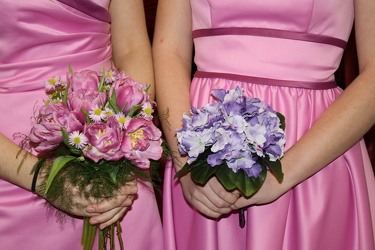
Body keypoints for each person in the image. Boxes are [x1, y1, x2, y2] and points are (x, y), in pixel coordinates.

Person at [153, 0, 375, 249]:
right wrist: (187, 162)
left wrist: (281, 176)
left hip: (315, 150)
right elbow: (169, 51)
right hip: (205, 154)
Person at [0, 0, 163, 249]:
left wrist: (125, 141)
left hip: (114, 161)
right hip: (13, 169)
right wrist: (44, 179)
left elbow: (132, 47)